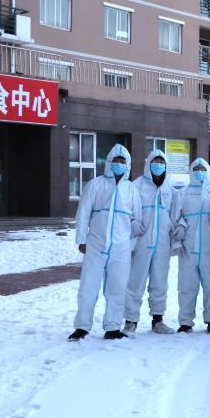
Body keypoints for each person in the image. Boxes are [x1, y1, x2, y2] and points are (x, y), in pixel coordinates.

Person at [69, 145, 143, 341]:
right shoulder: (95, 184)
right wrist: (82, 240)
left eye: (122, 161)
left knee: (117, 288)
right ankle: (82, 326)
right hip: (96, 244)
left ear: (128, 164)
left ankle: (112, 327)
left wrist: (131, 244)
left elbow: (137, 218)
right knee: (88, 287)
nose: (119, 164)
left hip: (121, 247)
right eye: (115, 160)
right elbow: (83, 213)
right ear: (109, 162)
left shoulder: (131, 189)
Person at [122, 150, 181, 337]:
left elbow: (177, 215)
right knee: (135, 282)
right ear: (148, 164)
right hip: (141, 241)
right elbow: (125, 209)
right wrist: (132, 222)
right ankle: (130, 321)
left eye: (162, 162)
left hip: (162, 243)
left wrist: (178, 230)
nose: (158, 165)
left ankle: (158, 320)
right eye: (155, 162)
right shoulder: (136, 186)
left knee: (160, 282)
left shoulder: (170, 189)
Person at [175, 158, 210, 334]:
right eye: (197, 168)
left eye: (203, 169)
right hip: (188, 247)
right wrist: (180, 226)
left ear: (208, 171)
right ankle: (185, 322)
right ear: (191, 171)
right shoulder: (182, 193)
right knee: (187, 286)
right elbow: (176, 215)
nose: (200, 172)